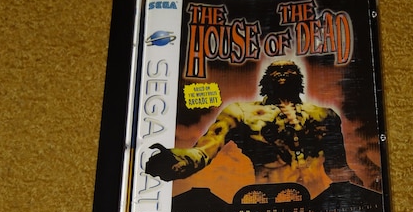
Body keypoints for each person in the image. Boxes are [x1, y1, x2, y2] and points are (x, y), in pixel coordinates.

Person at [146, 60, 359, 197]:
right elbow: (204, 150)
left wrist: (365, 191)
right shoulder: (240, 112)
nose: (282, 73)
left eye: (289, 70)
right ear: (265, 79)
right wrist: (178, 160)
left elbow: (338, 167)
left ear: (299, 78)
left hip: (317, 197)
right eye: (275, 71)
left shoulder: (325, 115)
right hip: (269, 198)